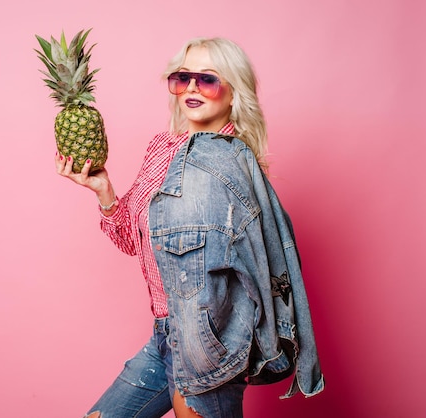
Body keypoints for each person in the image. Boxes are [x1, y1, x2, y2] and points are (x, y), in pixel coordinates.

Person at [54, 36, 324, 418]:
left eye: (208, 79)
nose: (192, 87)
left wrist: (218, 346)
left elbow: (262, 267)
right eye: (182, 77)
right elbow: (135, 241)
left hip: (204, 343)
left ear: (233, 93)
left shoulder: (232, 163)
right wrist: (104, 191)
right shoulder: (162, 148)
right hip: (164, 334)